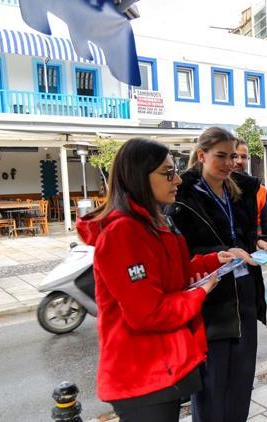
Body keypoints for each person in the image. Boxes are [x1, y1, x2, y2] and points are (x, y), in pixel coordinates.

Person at [76, 138, 245, 422]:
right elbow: (147, 312)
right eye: (167, 173)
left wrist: (215, 260)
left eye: (175, 170)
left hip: (165, 366)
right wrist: (199, 293)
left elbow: (173, 276)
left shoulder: (155, 221)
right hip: (141, 374)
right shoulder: (124, 233)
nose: (177, 179)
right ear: (139, 177)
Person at [167, 127, 267, 422]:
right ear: (202, 155)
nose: (230, 163)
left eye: (232, 157)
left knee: (241, 383)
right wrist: (223, 251)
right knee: (211, 387)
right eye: (221, 156)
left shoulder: (239, 191)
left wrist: (255, 244)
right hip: (210, 300)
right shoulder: (181, 195)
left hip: (244, 297)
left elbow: (242, 236)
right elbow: (180, 253)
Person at [233, 139, 267, 294]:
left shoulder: (259, 191)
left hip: (250, 264)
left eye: (244, 157)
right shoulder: (216, 190)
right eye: (234, 156)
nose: (239, 161)